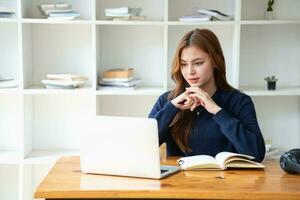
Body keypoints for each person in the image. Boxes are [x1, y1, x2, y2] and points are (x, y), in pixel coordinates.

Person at [148, 28, 265, 162]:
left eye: (198, 63)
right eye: (184, 64)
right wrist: (172, 108)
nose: (190, 71)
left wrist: (217, 111)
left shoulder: (239, 101)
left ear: (216, 61)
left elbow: (256, 154)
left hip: (227, 181)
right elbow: (142, 146)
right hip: (178, 181)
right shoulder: (167, 100)